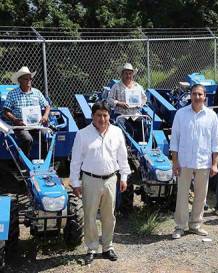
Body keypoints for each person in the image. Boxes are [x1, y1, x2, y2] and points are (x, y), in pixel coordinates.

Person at [69, 101, 131, 264]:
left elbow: (123, 157)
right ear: (92, 116)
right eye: (98, 115)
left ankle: (107, 247)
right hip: (90, 180)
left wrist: (124, 177)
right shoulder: (82, 134)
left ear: (109, 116)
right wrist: (75, 182)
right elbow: (75, 161)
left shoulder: (117, 132)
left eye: (105, 115)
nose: (102, 119)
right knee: (89, 216)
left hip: (111, 179)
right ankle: (92, 248)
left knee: (109, 216)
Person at [170, 84, 218, 239]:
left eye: (200, 94)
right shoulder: (181, 114)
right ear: (190, 95)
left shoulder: (211, 116)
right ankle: (180, 226)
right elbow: (175, 140)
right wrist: (175, 162)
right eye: (194, 94)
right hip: (184, 161)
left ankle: (195, 225)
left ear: (205, 96)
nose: (197, 97)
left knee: (201, 195)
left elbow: (215, 142)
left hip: (203, 161)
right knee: (182, 195)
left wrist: (214, 163)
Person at [3, 66, 50, 156]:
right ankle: (24, 161)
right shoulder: (12, 94)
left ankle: (44, 161)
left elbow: (47, 106)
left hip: (36, 125)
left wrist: (45, 116)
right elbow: (6, 111)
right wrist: (15, 120)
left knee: (44, 135)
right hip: (20, 125)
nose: (29, 81)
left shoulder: (37, 92)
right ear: (19, 80)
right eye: (26, 79)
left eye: (30, 78)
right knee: (27, 139)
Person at [107, 63, 147, 140]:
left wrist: (140, 104)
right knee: (121, 126)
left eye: (130, 74)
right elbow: (109, 99)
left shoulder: (138, 86)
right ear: (122, 74)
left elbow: (144, 98)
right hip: (121, 114)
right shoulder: (116, 86)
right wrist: (119, 103)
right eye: (126, 73)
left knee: (143, 124)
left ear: (132, 75)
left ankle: (141, 144)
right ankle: (125, 145)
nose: (128, 76)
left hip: (134, 114)